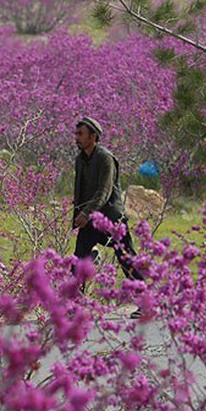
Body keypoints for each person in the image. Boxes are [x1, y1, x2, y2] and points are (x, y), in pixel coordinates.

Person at [72, 117, 145, 288]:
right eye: (76, 134)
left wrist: (85, 213)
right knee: (78, 262)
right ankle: (74, 306)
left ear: (93, 136)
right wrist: (79, 216)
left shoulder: (105, 158)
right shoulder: (80, 160)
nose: (77, 138)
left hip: (111, 219)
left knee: (127, 260)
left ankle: (145, 300)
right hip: (90, 221)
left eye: (81, 134)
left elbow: (104, 191)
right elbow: (80, 192)